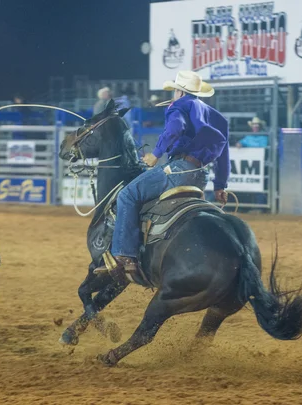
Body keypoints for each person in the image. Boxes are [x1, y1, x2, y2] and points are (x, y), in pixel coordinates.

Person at [95, 71, 230, 277]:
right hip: (199, 176)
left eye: (175, 90)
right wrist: (220, 185)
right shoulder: (216, 117)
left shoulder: (179, 105)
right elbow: (224, 153)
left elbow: (175, 128)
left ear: (179, 91)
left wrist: (156, 154)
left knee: (128, 195)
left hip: (178, 170)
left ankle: (124, 255)